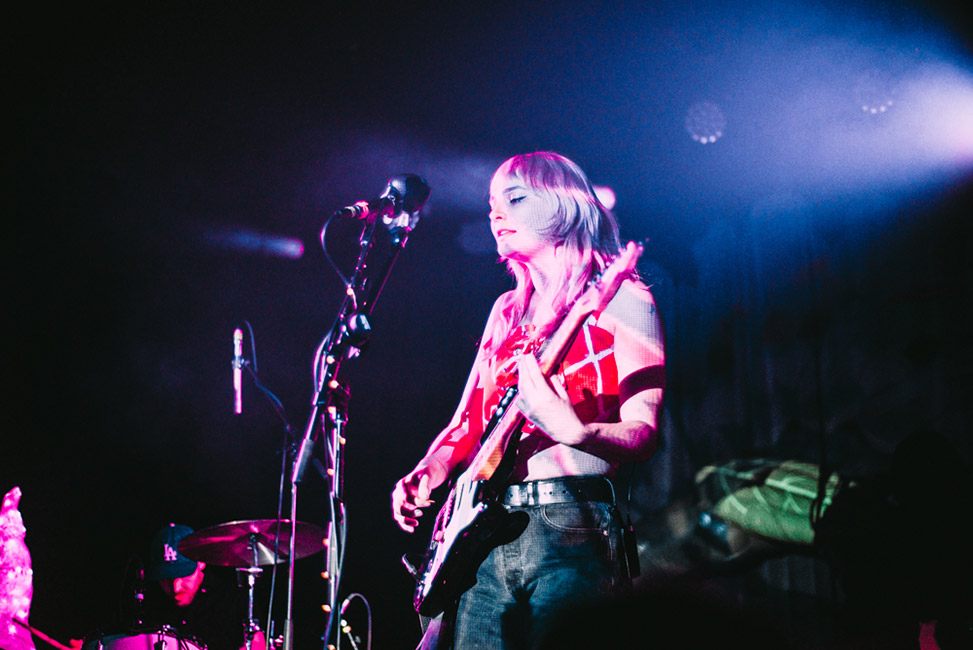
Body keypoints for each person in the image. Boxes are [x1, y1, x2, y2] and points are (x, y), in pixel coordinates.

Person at [392, 152, 665, 649]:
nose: (496, 214)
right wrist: (431, 467)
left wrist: (577, 431)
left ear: (563, 204)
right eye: (491, 204)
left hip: (573, 523)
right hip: (483, 532)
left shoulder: (622, 297)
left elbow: (643, 433)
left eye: (515, 199)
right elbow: (466, 423)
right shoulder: (505, 312)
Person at [140, 523, 267, 650]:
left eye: (184, 575)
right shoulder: (147, 605)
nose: (175, 588)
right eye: (166, 578)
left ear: (201, 562)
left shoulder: (234, 600)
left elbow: (257, 645)